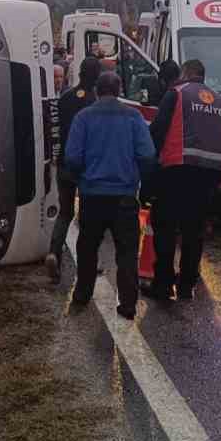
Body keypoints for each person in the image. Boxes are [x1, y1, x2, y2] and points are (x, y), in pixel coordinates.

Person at [146, 59, 221, 301]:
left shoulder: (176, 94)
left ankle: (163, 283)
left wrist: (151, 170)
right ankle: (187, 286)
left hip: (176, 170)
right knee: (194, 231)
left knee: (166, 227)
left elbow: (157, 131)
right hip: (208, 176)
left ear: (186, 73)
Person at [65, 69, 156, 320]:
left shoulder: (83, 118)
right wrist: (139, 179)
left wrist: (81, 178)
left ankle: (82, 294)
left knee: (87, 247)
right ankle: (127, 304)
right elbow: (147, 155)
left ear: (96, 90)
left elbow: (72, 157)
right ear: (119, 92)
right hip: (125, 196)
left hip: (92, 195)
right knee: (126, 251)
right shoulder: (133, 117)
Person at [46, 56, 101, 282]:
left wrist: (55, 157)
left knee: (65, 213)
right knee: (88, 218)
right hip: (87, 168)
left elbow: (55, 128)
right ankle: (88, 263)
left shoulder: (66, 97)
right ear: (96, 76)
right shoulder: (96, 101)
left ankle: (53, 253)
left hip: (65, 165)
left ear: (78, 73)